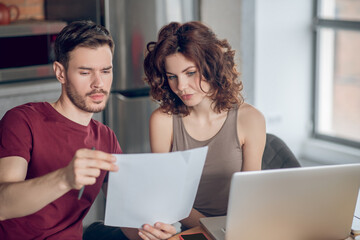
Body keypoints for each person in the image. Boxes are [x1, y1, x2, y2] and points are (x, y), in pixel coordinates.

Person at [0, 20, 176, 240]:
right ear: (60, 73)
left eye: (105, 71)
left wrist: (151, 231)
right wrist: (64, 178)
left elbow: (126, 219)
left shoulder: (106, 137)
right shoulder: (22, 120)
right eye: (85, 72)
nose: (98, 83)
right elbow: (3, 204)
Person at [144, 21, 266, 230]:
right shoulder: (162, 121)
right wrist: (208, 229)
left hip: (239, 228)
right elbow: (168, 194)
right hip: (192, 230)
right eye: (172, 77)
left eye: (190, 73)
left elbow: (250, 198)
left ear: (212, 66)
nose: (181, 86)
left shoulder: (250, 119)